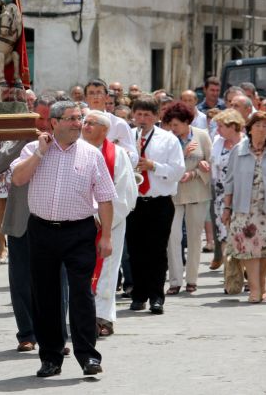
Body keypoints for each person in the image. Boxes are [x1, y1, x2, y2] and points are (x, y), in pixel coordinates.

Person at [12, 101, 116, 377]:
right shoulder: (34, 149)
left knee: (81, 293)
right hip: (42, 230)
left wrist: (106, 236)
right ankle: (51, 357)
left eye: (79, 118)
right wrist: (40, 154)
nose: (77, 123)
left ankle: (88, 357)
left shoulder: (91, 154)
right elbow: (18, 178)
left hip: (79, 231)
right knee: (45, 295)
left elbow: (105, 198)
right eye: (70, 118)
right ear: (53, 123)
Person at [0, 95, 56, 352]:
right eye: (39, 117)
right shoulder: (20, 138)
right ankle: (27, 333)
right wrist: (25, 139)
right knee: (21, 280)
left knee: (55, 280)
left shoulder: (66, 141)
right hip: (22, 219)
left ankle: (54, 333)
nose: (44, 123)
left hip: (55, 219)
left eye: (49, 118)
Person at [221, 112, 266, 303]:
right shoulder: (238, 150)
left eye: (265, 126)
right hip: (245, 209)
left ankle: (261, 281)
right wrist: (227, 208)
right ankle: (254, 288)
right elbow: (229, 182)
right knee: (248, 249)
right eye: (257, 125)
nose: (261, 129)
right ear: (249, 128)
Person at [126, 96, 185, 314]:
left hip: (159, 201)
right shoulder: (128, 137)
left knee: (157, 250)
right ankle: (138, 294)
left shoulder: (168, 139)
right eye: (139, 114)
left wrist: (153, 166)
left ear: (156, 117)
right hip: (134, 201)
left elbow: (177, 170)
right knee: (135, 249)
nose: (142, 119)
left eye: (147, 115)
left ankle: (156, 296)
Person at [81, 111, 137, 336]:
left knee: (107, 270)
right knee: (81, 270)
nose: (85, 126)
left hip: (110, 223)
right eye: (84, 122)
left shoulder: (118, 155)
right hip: (80, 222)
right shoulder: (76, 151)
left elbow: (125, 192)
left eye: (91, 123)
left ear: (105, 130)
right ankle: (83, 316)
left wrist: (102, 219)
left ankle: (103, 317)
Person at [163, 102, 213, 295]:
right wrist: (183, 155)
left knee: (194, 238)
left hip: (197, 193)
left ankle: (192, 279)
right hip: (173, 195)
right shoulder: (168, 139)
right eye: (170, 124)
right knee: (173, 237)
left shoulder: (202, 135)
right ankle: (175, 280)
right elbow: (165, 165)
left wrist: (197, 171)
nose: (173, 128)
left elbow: (211, 161)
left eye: (176, 124)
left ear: (186, 122)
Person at [209, 109, 246, 273]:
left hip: (242, 195)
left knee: (243, 234)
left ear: (233, 126)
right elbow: (213, 166)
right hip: (221, 196)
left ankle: (246, 271)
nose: (218, 130)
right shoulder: (217, 142)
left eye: (221, 126)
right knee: (223, 233)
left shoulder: (246, 143)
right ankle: (230, 275)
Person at [84, 79, 138, 165]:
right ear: (85, 98)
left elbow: (134, 159)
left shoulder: (119, 124)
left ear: (106, 97)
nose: (95, 96)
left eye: (99, 92)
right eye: (91, 93)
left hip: (112, 174)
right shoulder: (78, 125)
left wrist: (119, 151)